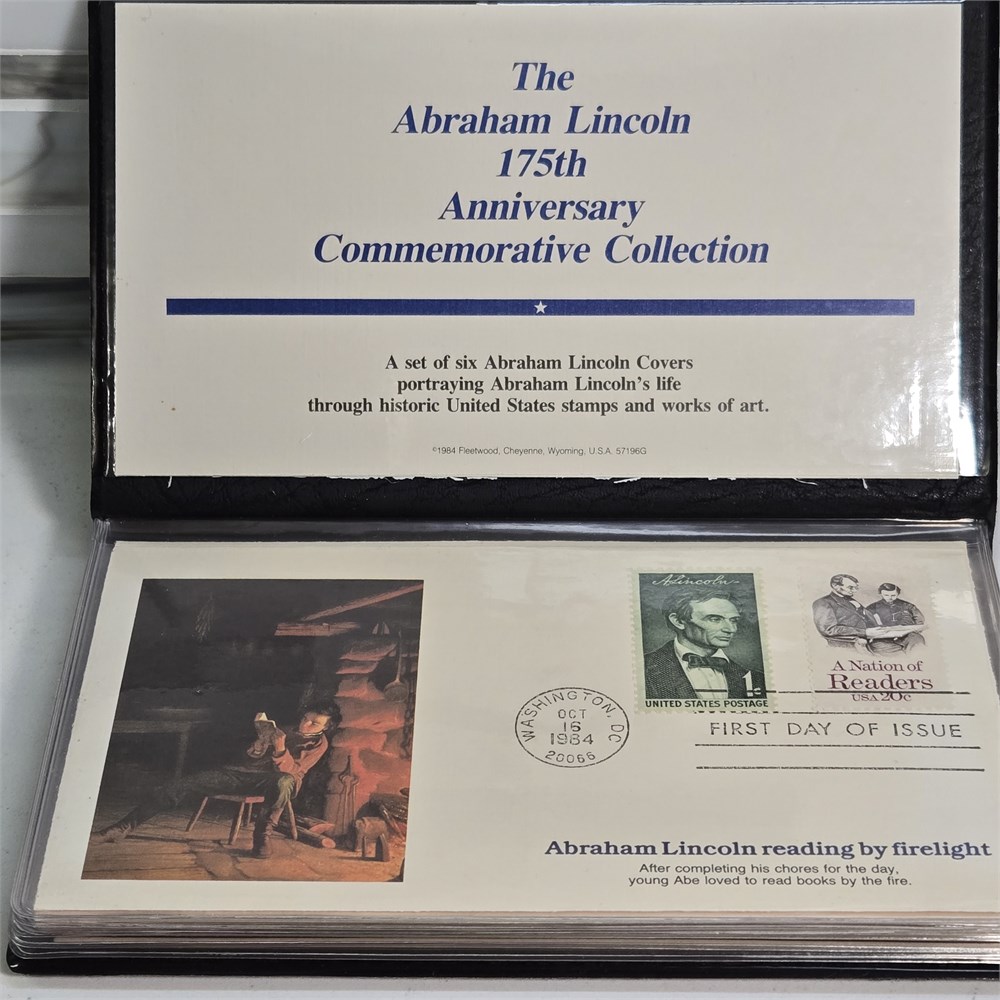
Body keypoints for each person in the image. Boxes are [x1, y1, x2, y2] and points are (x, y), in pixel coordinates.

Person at [91, 704, 338, 859]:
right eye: (306, 718)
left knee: (282, 782)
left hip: (279, 782)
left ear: (325, 728)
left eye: (314, 722)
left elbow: (293, 771)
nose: (305, 724)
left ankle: (262, 836)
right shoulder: (283, 728)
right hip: (243, 774)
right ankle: (123, 827)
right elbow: (249, 758)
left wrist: (280, 749)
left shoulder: (319, 744)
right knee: (180, 785)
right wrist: (257, 748)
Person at [644, 588, 766, 700]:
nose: (731, 629)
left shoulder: (755, 678)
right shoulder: (644, 669)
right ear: (678, 621)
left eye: (733, 620)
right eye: (715, 619)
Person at [812, 575, 923, 653]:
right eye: (850, 587)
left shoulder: (850, 600)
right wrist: (865, 632)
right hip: (862, 641)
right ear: (835, 586)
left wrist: (886, 630)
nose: (854, 591)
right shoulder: (823, 603)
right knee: (902, 654)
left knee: (915, 638)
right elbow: (829, 629)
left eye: (856, 588)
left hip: (878, 636)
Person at [866, 583, 926, 647]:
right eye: (886, 595)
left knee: (917, 641)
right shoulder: (872, 607)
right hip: (883, 638)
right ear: (881, 594)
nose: (890, 598)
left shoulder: (908, 606)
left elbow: (919, 620)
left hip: (908, 635)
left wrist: (914, 630)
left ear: (898, 594)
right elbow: (865, 622)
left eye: (893, 595)